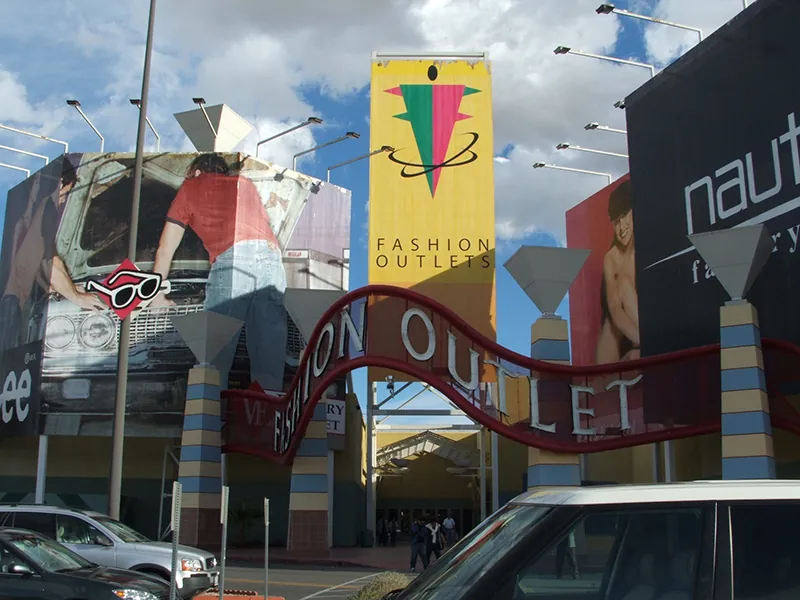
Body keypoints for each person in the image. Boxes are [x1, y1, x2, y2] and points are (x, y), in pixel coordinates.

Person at [150, 153, 288, 390]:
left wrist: (156, 294)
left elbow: (166, 248)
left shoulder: (191, 186)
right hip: (273, 260)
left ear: (196, 171)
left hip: (234, 258)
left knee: (214, 355)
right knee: (268, 353)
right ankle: (268, 406)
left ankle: (208, 410)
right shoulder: (245, 184)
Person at [595, 179, 640, 364]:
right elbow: (615, 310)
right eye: (616, 222)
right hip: (626, 333)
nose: (621, 228)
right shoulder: (612, 258)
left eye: (624, 216)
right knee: (623, 287)